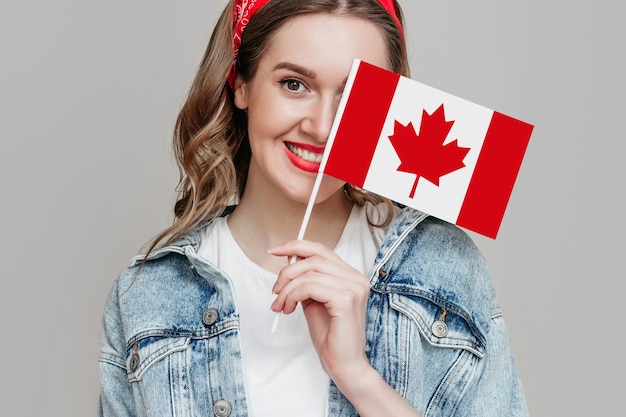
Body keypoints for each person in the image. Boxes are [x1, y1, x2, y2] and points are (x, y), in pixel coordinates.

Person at [98, 1, 528, 416]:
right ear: (241, 83)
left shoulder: (444, 270)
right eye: (294, 84)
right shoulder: (148, 295)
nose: (322, 127)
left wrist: (357, 377)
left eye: (354, 94)